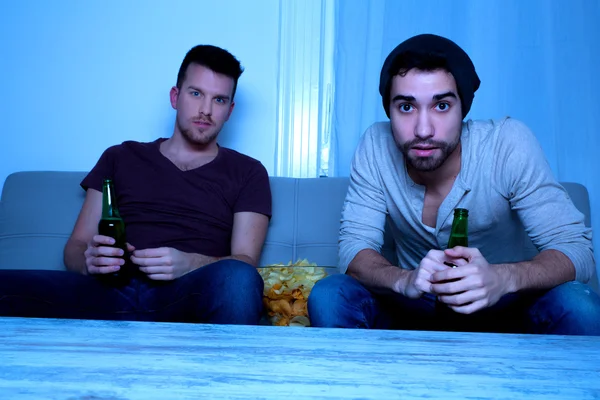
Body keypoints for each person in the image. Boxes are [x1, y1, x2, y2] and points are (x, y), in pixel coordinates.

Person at [307, 33, 600, 335]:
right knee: (331, 294)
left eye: (442, 106)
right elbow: (354, 249)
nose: (423, 129)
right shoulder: (375, 145)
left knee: (580, 305)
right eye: (406, 107)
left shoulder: (507, 143)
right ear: (390, 112)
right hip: (414, 305)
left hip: (504, 303)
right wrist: (404, 280)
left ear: (463, 109)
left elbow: (576, 250)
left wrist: (504, 278)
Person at [0, 44, 272, 324]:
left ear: (230, 110)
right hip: (108, 292)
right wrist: (88, 262)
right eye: (196, 93)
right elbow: (76, 246)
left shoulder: (248, 172)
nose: (205, 110)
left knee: (239, 280)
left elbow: (245, 262)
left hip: (188, 295)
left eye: (219, 100)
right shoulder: (121, 157)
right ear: (175, 97)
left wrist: (190, 263)